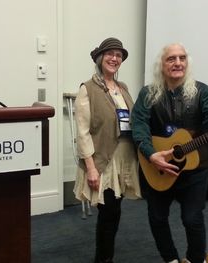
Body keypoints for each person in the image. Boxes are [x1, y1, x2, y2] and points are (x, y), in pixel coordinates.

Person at [131, 43, 208, 263]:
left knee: (192, 219)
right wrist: (150, 154)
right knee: (157, 218)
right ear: (161, 65)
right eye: (171, 59)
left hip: (195, 169)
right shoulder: (148, 93)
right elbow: (139, 126)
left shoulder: (202, 91)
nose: (177, 63)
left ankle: (195, 259)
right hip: (158, 167)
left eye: (182, 58)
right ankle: (171, 259)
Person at [73, 37, 141, 263]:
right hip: (103, 161)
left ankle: (105, 257)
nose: (115, 58)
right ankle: (103, 259)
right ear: (100, 58)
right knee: (107, 212)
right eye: (110, 54)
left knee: (115, 211)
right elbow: (82, 133)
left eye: (119, 55)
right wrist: (91, 168)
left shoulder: (123, 88)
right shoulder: (87, 89)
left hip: (125, 158)